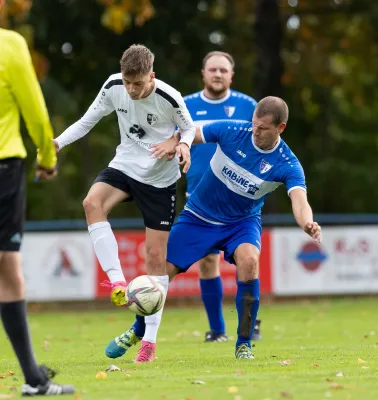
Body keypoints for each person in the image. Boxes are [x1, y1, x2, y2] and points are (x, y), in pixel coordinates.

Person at [104, 51, 262, 360]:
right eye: (212, 69)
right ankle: (212, 330)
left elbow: (261, 145)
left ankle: (243, 335)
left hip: (239, 206)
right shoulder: (183, 102)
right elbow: (171, 133)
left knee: (248, 261)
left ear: (232, 75)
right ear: (203, 73)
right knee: (195, 264)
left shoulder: (248, 106)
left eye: (223, 70)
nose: (217, 74)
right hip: (199, 200)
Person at [147, 96, 321, 359]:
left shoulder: (287, 163)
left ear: (280, 128)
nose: (256, 131)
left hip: (241, 222)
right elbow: (192, 132)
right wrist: (176, 143)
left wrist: (306, 222)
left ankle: (243, 343)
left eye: (263, 128)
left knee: (250, 261)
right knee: (163, 274)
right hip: (199, 215)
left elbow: (299, 200)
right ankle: (137, 331)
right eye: (254, 124)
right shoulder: (233, 130)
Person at [54, 44, 196, 363]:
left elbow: (189, 128)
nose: (131, 89)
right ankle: (118, 281)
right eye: (127, 82)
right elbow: (87, 121)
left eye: (138, 83)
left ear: (152, 76)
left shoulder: (169, 97)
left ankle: (149, 342)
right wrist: (58, 143)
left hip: (160, 179)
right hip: (126, 165)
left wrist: (182, 145)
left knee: (156, 257)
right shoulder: (113, 86)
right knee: (92, 203)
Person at [0, 12, 75, 396]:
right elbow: (35, 112)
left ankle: (33, 377)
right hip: (3, 169)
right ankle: (33, 377)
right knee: (8, 267)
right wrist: (46, 158)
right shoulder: (9, 44)